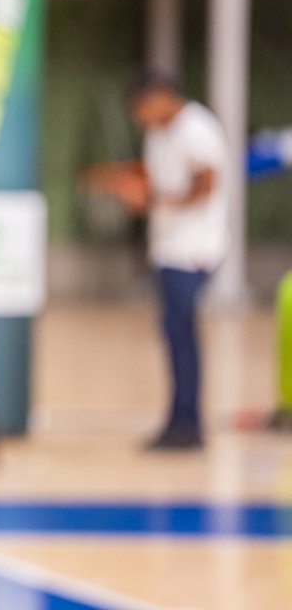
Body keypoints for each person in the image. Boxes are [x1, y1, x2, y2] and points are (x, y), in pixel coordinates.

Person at [89, 75, 229, 450]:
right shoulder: (158, 134)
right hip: (168, 248)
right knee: (174, 336)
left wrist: (153, 200)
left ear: (163, 97)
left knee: (182, 336)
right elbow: (153, 178)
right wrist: (123, 183)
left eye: (143, 108)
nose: (141, 118)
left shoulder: (197, 129)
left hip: (194, 250)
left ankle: (188, 426)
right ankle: (179, 420)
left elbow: (205, 186)